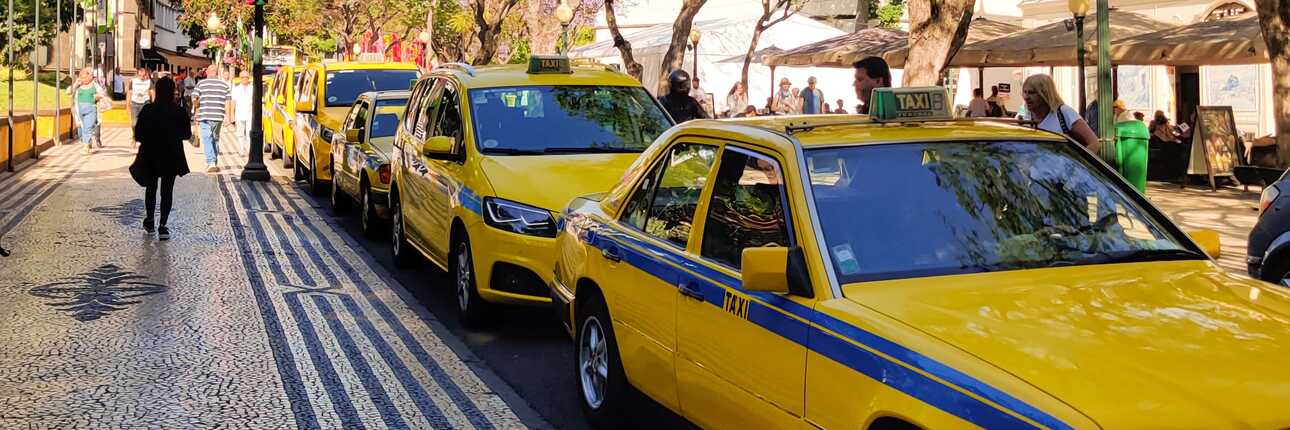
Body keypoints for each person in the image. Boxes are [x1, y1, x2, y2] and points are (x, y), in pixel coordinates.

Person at [133, 77, 191, 241]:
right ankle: (163, 225)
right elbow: (186, 134)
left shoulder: (148, 110)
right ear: (173, 91)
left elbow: (138, 135)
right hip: (171, 154)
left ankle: (150, 220)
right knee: (167, 190)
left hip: (151, 153)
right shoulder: (179, 111)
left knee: (151, 188)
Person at [1022, 74, 1099, 153]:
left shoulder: (1063, 112)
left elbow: (1094, 143)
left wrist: (1075, 163)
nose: (1026, 97)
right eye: (1025, 92)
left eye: (1032, 92)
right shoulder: (1026, 116)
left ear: (1045, 93)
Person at [191, 64, 232, 172]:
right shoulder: (224, 85)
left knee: (207, 138)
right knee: (215, 138)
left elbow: (194, 98)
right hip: (218, 116)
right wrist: (228, 116)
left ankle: (211, 162)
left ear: (208, 72)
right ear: (217, 72)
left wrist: (197, 106)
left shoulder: (201, 84)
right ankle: (213, 161)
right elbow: (228, 101)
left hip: (205, 115)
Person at [67, 68, 108, 154]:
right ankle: (86, 142)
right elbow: (68, 92)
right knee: (81, 129)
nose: (84, 79)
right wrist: (75, 85)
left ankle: (86, 146)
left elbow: (103, 94)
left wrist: (98, 96)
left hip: (91, 109)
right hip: (79, 110)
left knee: (88, 128)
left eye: (86, 77)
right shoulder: (78, 86)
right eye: (82, 77)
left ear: (90, 77)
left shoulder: (95, 85)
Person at [1113, 100, 1149, 192]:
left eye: (1115, 108)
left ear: (1118, 108)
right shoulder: (1122, 117)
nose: (1114, 110)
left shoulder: (1124, 117)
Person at [126, 67, 154, 142]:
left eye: (144, 75)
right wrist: (127, 104)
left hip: (145, 103)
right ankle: (134, 136)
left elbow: (152, 93)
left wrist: (154, 104)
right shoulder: (133, 81)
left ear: (146, 74)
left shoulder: (149, 82)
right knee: (134, 123)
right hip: (134, 103)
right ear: (137, 75)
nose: (142, 77)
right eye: (140, 75)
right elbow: (129, 93)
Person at [230, 71, 254, 156]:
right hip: (239, 114)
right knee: (240, 133)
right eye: (243, 77)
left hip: (250, 114)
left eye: (246, 77)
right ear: (240, 78)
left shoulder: (252, 88)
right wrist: (231, 114)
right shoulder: (236, 89)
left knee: (249, 133)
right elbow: (233, 102)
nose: (245, 79)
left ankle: (249, 150)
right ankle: (241, 149)